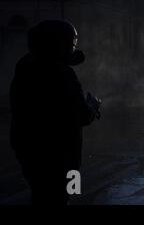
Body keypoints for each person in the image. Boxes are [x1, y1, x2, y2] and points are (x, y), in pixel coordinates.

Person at [9, 20, 101, 205]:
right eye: (70, 44)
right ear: (60, 44)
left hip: (29, 150)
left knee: (40, 196)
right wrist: (93, 107)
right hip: (58, 156)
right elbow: (80, 115)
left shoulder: (26, 65)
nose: (72, 48)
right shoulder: (61, 73)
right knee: (56, 198)